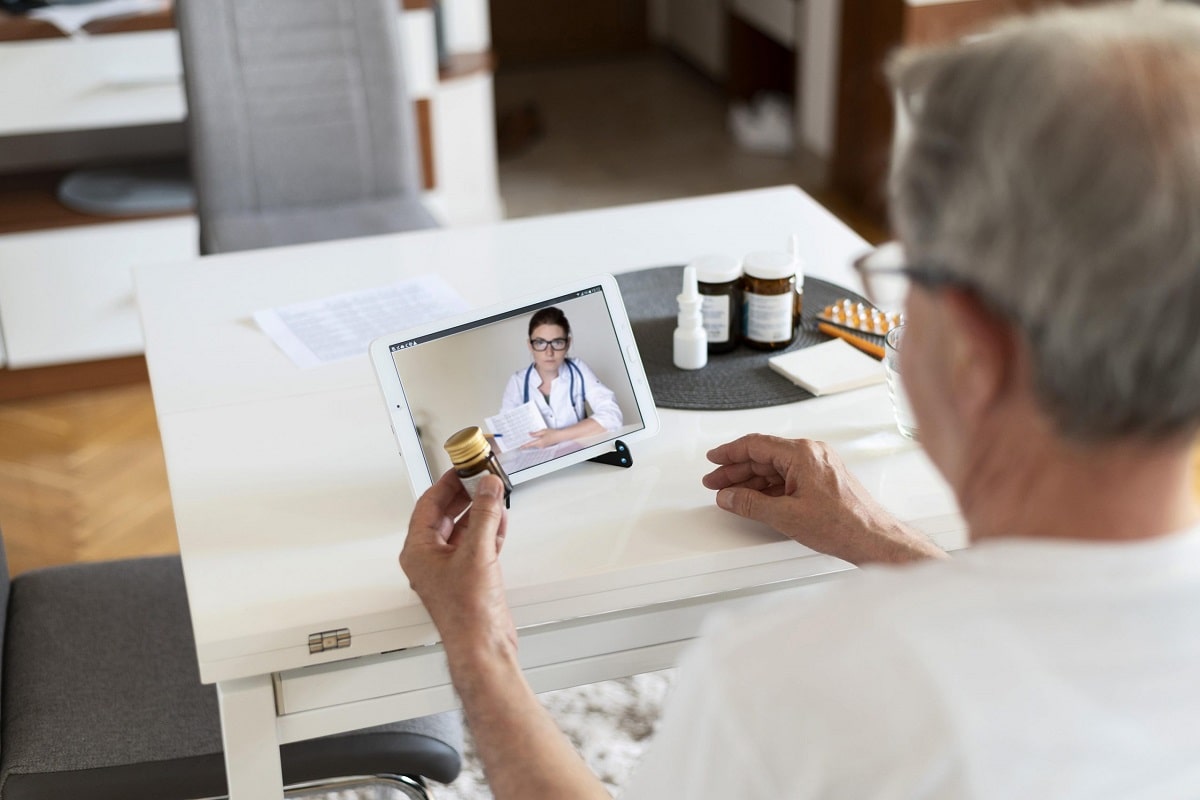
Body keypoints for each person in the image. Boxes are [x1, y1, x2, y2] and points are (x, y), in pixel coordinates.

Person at [401, 4, 1200, 797]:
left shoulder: (792, 689)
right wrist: (880, 538)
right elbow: (1054, 639)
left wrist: (478, 642)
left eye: (905, 278)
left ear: (974, 347)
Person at [498, 306, 623, 449]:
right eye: (540, 343)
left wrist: (557, 436)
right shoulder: (517, 382)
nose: (549, 352)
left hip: (580, 454)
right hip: (538, 459)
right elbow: (506, 435)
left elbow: (612, 416)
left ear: (568, 343)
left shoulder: (578, 369)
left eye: (557, 342)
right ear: (530, 345)